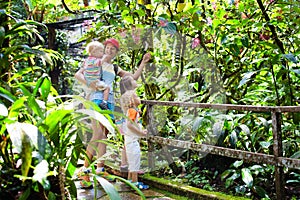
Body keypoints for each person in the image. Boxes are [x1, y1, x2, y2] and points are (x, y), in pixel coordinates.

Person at [74, 38, 151, 188]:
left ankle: (100, 169)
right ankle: (84, 172)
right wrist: (93, 85)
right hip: (96, 99)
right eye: (107, 48)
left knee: (103, 135)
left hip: (108, 102)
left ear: (116, 52)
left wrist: (143, 62)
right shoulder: (96, 62)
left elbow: (132, 77)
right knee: (97, 135)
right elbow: (78, 74)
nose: (109, 51)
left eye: (112, 49)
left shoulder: (114, 67)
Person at [120, 88, 149, 189]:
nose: (139, 97)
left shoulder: (131, 111)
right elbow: (129, 125)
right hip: (132, 141)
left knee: (132, 161)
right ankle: (135, 183)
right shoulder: (132, 111)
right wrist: (141, 133)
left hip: (129, 140)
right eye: (136, 96)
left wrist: (141, 131)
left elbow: (133, 125)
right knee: (135, 162)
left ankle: (130, 181)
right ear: (131, 101)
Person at [82, 41, 110, 110]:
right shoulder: (94, 60)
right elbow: (100, 63)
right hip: (95, 81)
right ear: (94, 52)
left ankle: (84, 108)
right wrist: (105, 57)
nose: (102, 53)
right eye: (100, 51)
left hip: (87, 81)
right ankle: (104, 102)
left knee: (88, 95)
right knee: (107, 88)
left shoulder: (86, 60)